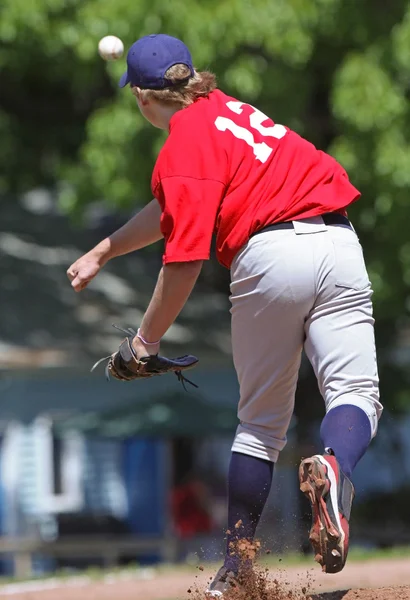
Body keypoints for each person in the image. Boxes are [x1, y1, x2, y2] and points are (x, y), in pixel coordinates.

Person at [67, 34, 382, 597]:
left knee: (261, 428)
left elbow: (183, 260)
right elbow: (171, 205)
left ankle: (237, 569)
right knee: (355, 391)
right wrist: (105, 249)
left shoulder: (183, 145)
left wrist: (144, 341)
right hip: (338, 241)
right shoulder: (224, 109)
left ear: (141, 99)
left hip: (271, 257)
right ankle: (336, 466)